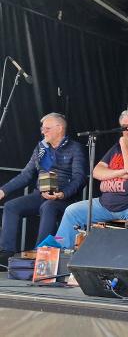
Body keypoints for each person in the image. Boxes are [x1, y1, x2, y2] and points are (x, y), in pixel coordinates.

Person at [55, 109, 128, 249]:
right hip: (104, 204)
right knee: (72, 211)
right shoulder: (116, 148)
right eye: (124, 127)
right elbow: (96, 171)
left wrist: (125, 147)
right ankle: (61, 254)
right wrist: (122, 172)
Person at [0, 113, 87, 268]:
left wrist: (63, 193)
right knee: (11, 206)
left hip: (63, 198)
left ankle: (40, 254)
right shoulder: (41, 148)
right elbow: (26, 175)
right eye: (42, 128)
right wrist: (4, 190)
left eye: (47, 128)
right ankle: (6, 253)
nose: (43, 132)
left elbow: (79, 178)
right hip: (41, 194)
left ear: (59, 128)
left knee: (47, 207)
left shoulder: (75, 148)